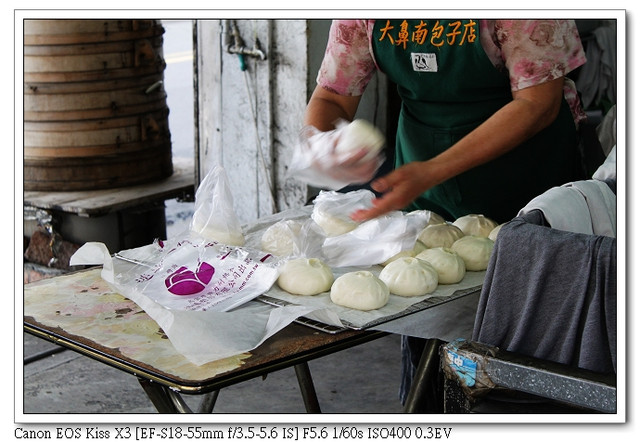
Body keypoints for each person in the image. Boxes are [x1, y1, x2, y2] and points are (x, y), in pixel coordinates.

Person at [300, 19, 587, 406]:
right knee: (433, 335)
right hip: (424, 186)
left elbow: (538, 104)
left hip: (530, 184)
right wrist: (324, 145)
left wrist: (433, 170)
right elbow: (332, 96)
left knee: (529, 354)